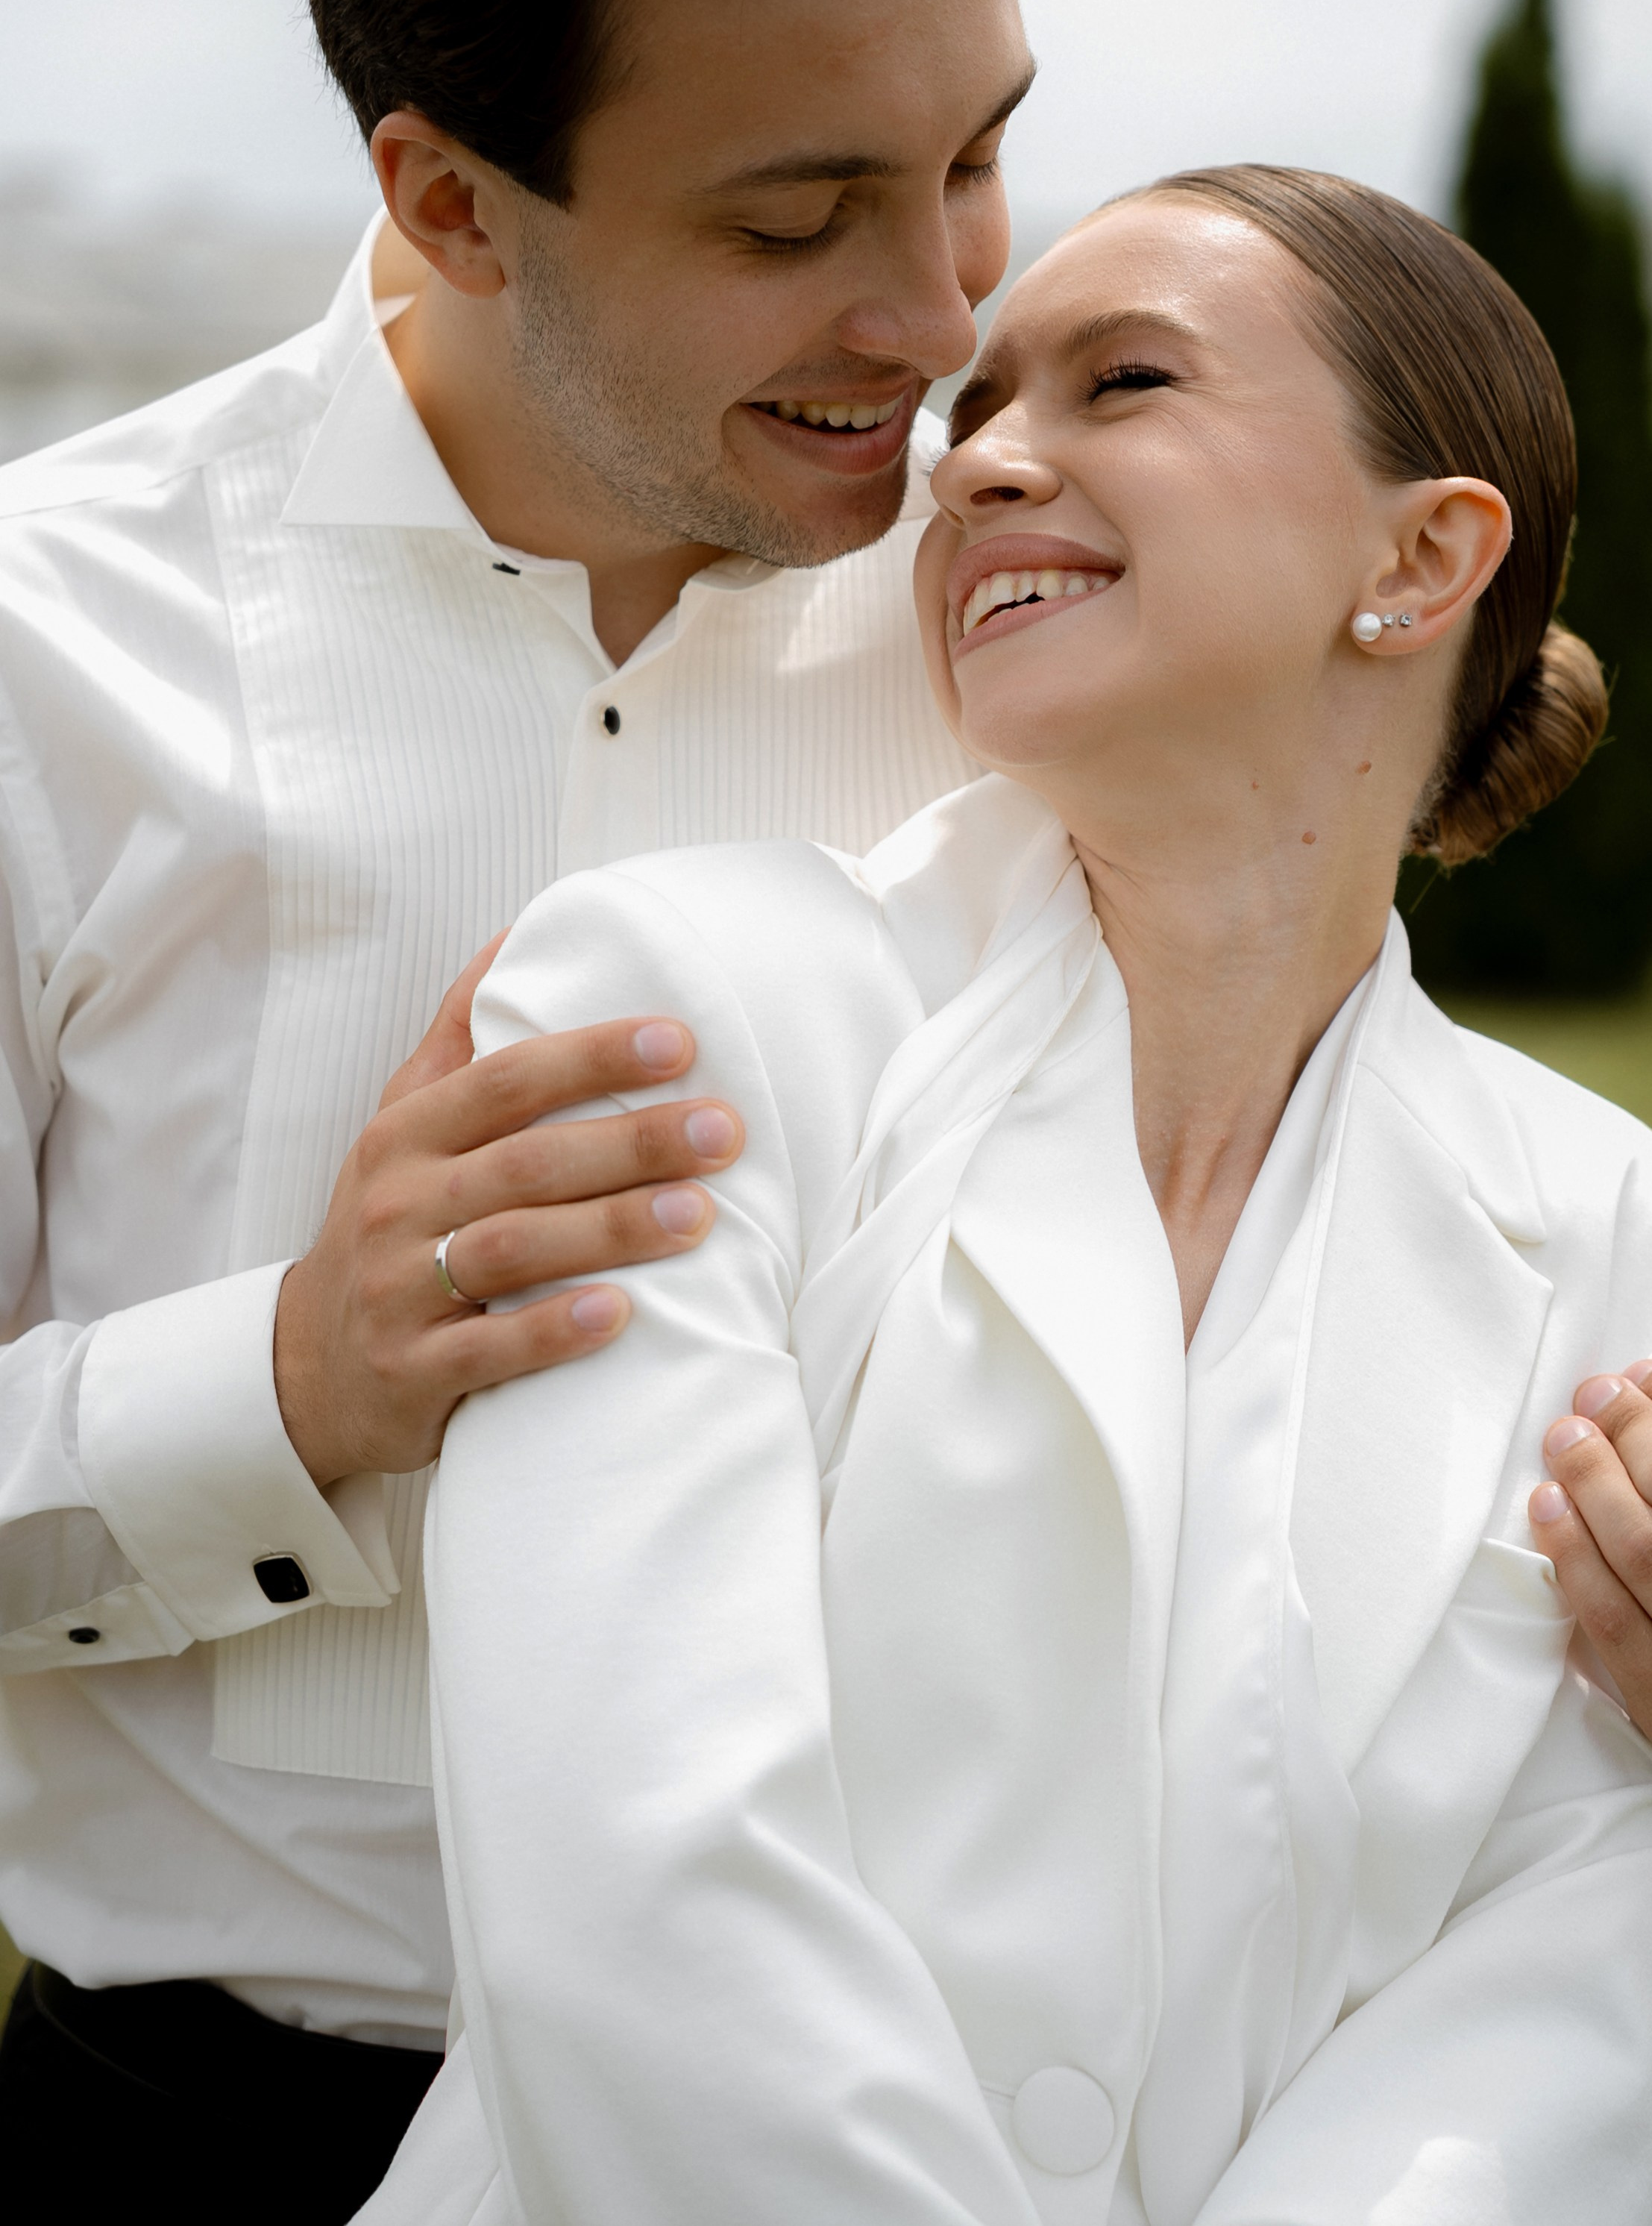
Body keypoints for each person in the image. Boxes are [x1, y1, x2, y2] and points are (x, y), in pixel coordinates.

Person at [362, 168, 1652, 2226]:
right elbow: (637, 1886)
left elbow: (1578, 1969)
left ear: (1423, 554)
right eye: (984, 407)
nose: (977, 464)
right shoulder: (679, 1015)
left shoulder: (1614, 1228)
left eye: (1120, 380)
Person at [0, 0, 1031, 2214]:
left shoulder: (1066, 603)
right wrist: (291, 1378)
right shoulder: (42, 652)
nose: (947, 306)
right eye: (797, 220)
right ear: (449, 198)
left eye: (982, 148)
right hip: (210, 2134)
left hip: (957, 2124)